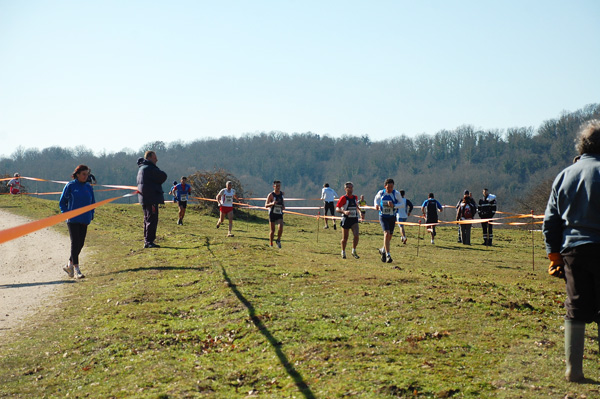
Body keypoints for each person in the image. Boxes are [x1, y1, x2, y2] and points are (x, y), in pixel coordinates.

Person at [543, 120, 600, 382]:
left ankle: (573, 369)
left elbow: (551, 221)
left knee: (575, 306)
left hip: (573, 251)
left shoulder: (565, 175)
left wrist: (554, 256)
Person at [59, 165, 95, 279]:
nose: (85, 176)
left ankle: (69, 265)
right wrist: (66, 213)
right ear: (77, 174)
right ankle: (77, 269)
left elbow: (92, 202)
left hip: (84, 219)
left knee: (81, 244)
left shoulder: (88, 187)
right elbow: (62, 202)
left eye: (87, 174)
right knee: (75, 243)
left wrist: (91, 214)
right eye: (83, 174)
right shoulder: (70, 186)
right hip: (73, 220)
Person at [137, 151, 168, 248]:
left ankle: (147, 239)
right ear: (149, 158)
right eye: (155, 158)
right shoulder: (150, 168)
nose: (156, 160)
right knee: (152, 219)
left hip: (144, 198)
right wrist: (155, 167)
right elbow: (163, 176)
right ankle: (149, 241)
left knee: (147, 219)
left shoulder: (141, 168)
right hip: (151, 198)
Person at [374, 178, 401, 263]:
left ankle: (383, 250)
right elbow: (376, 199)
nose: (390, 189)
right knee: (386, 233)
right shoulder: (381, 193)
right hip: (383, 216)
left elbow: (402, 204)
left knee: (389, 236)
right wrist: (376, 205)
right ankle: (388, 255)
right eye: (388, 187)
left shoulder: (396, 193)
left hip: (392, 217)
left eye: (391, 187)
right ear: (385, 186)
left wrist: (394, 205)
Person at [336, 182, 360, 259]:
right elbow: (337, 208)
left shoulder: (355, 197)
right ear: (345, 189)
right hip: (346, 219)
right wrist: (344, 212)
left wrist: (360, 212)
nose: (350, 189)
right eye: (349, 188)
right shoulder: (343, 198)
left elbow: (356, 206)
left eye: (351, 188)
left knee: (356, 235)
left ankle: (354, 250)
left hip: (354, 219)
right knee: (345, 238)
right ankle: (343, 251)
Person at [265, 180, 285, 248]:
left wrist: (283, 207)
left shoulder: (281, 194)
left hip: (279, 213)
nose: (278, 187)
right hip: (272, 213)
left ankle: (278, 240)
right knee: (272, 230)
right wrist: (272, 203)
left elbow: (283, 202)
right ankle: (271, 243)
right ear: (274, 186)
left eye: (279, 186)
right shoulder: (270, 195)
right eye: (277, 186)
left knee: (281, 227)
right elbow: (266, 205)